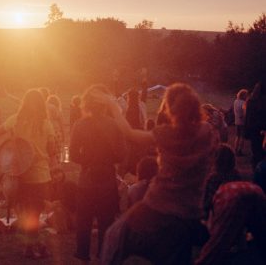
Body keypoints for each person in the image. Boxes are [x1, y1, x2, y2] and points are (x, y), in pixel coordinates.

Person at [100, 83, 218, 265]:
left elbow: (129, 133)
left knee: (114, 236)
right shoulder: (207, 132)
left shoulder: (166, 134)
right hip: (190, 211)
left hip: (157, 205)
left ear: (170, 108)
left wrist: (113, 105)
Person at [0, 89, 56, 259]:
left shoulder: (15, 120)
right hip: (41, 175)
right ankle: (31, 246)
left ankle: (32, 244)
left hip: (21, 174)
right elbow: (52, 149)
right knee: (35, 213)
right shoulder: (46, 124)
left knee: (26, 212)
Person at [70, 84, 126, 261]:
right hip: (107, 179)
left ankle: (82, 257)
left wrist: (88, 161)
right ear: (105, 103)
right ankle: (103, 257)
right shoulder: (114, 125)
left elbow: (72, 155)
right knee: (106, 223)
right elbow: (121, 155)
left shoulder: (80, 125)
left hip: (86, 178)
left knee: (83, 223)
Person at [196, 182, 266, 265]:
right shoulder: (220, 193)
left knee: (218, 242)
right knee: (262, 234)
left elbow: (218, 240)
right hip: (256, 191)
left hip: (234, 198)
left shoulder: (220, 204)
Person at [202, 144, 241, 219]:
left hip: (216, 218)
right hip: (234, 218)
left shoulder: (213, 179)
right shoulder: (236, 176)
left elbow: (207, 204)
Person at [245, 82, 266, 165]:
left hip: (254, 130)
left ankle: (256, 170)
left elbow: (248, 118)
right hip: (263, 129)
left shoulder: (250, 101)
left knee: (255, 151)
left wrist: (247, 132)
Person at [47, 94, 65, 165]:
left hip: (49, 132)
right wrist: (64, 136)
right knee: (57, 151)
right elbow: (62, 125)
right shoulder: (59, 112)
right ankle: (57, 165)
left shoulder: (46, 111)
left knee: (49, 150)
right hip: (57, 133)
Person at [234, 89, 248, 156]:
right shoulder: (243, 103)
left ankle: (235, 148)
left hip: (237, 120)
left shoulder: (235, 101)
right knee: (242, 136)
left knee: (237, 136)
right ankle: (239, 150)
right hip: (242, 121)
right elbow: (244, 112)